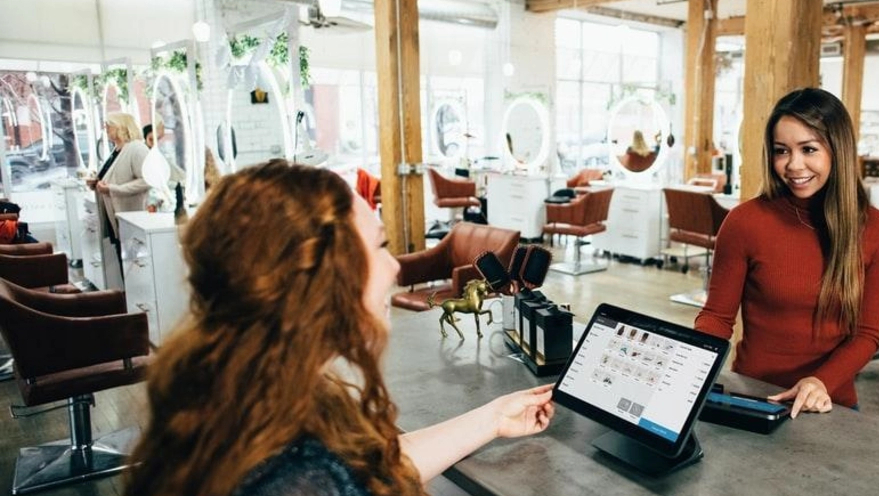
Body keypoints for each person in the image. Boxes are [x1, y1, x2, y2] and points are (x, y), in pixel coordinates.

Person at [124, 161, 555, 496]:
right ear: (320, 280)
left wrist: (492, 419)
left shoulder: (240, 391)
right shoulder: (296, 475)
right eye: (380, 247)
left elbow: (369, 468)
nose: (393, 269)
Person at [695, 88, 879, 417]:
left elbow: (866, 335)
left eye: (808, 149)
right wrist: (689, 365)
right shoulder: (745, 222)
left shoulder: (878, 230)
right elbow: (717, 318)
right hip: (753, 398)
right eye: (781, 151)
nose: (793, 165)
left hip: (829, 404)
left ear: (838, 150)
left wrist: (819, 382)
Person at [88, 112, 150, 244]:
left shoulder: (137, 149)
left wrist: (113, 189)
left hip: (130, 213)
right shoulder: (117, 149)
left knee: (130, 256)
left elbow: (146, 180)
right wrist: (97, 182)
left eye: (109, 126)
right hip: (113, 211)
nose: (106, 129)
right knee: (120, 251)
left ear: (121, 127)